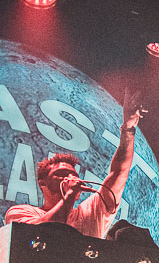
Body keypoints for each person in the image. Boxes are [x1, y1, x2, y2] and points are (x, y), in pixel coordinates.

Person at [5, 92, 145, 239]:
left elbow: (118, 172)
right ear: (42, 182)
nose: (71, 178)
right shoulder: (21, 212)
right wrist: (70, 195)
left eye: (75, 175)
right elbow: (44, 235)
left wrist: (128, 129)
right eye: (62, 174)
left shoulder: (90, 212)